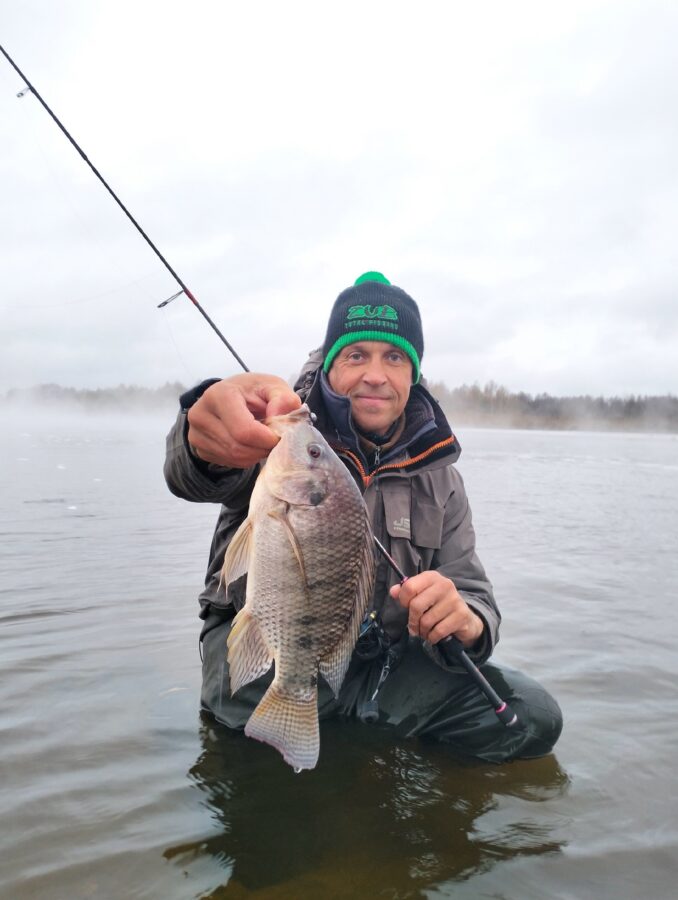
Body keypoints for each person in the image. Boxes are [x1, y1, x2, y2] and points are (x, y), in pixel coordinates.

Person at [164, 272, 563, 763]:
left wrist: (467, 620)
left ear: (412, 374)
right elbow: (196, 473)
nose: (375, 374)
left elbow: (474, 593)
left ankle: (353, 752)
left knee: (532, 718)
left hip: (378, 672)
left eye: (394, 357)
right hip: (265, 665)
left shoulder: (442, 477)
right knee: (259, 787)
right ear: (330, 366)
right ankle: (313, 750)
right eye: (356, 355)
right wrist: (200, 436)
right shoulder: (274, 438)